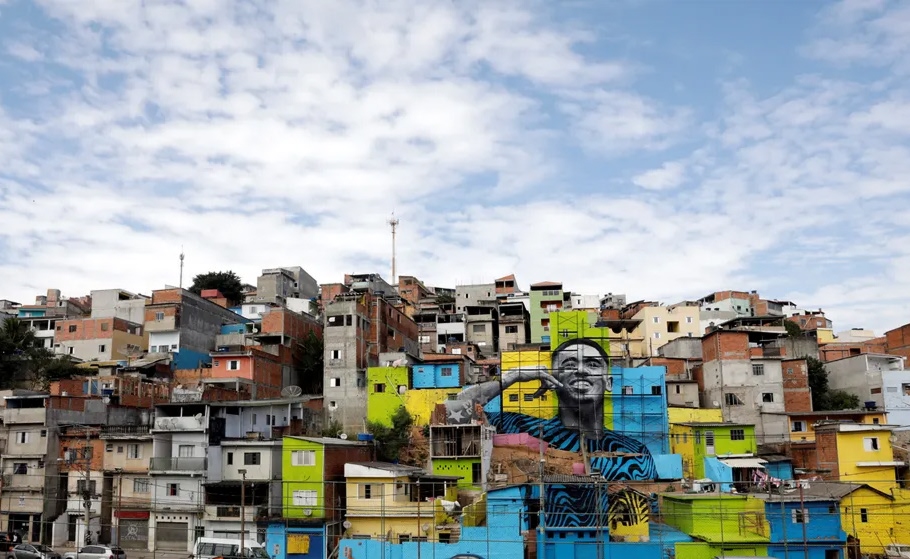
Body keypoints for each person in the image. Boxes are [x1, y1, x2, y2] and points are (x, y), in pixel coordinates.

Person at [446, 338, 658, 481]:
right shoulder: (515, 427)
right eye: (568, 365)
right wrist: (512, 377)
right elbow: (456, 408)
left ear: (609, 382)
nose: (581, 371)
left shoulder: (635, 453)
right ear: (553, 378)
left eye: (592, 364)